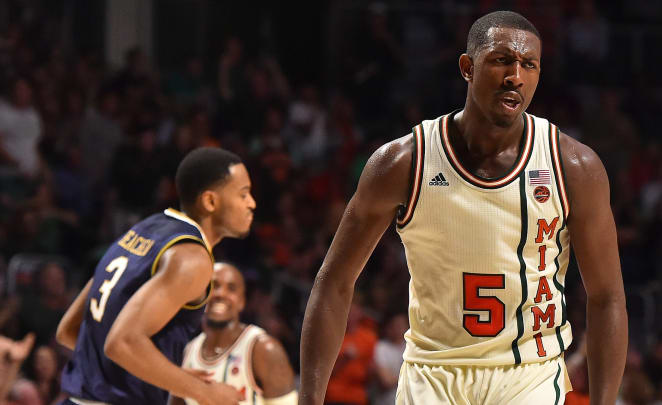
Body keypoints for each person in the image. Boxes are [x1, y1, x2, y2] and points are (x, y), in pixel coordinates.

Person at [300, 10, 627, 405]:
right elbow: (334, 283)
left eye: (529, 64)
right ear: (467, 67)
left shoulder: (574, 166)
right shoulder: (403, 162)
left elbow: (607, 295)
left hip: (528, 374)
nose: (515, 76)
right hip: (432, 372)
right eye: (502, 60)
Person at [55, 147, 256, 405]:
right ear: (210, 202)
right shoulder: (192, 259)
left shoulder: (144, 230)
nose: (252, 203)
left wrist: (167, 376)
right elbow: (123, 343)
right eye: (244, 194)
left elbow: (70, 330)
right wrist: (204, 392)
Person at [169, 262, 297, 405]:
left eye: (231, 288)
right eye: (214, 285)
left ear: (242, 302)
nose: (220, 294)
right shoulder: (188, 351)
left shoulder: (264, 349)